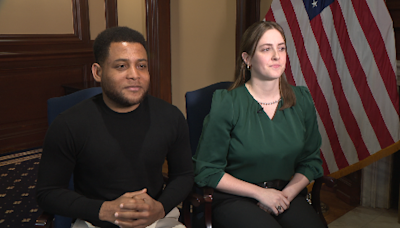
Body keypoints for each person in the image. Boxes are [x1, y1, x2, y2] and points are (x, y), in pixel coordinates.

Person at [36, 27, 193, 228]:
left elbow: (184, 175)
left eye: (142, 65)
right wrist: (104, 210)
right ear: (98, 72)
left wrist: (160, 207)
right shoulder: (69, 124)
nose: (134, 75)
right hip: (96, 221)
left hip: (158, 218)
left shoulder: (170, 116)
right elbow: (47, 193)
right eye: (121, 66)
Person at [192, 21, 325, 228]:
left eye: (281, 48)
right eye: (266, 49)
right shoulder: (227, 103)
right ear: (247, 59)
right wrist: (261, 194)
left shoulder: (302, 100)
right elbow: (208, 170)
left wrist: (285, 196)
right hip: (235, 197)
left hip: (285, 192)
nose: (276, 56)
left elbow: (310, 162)